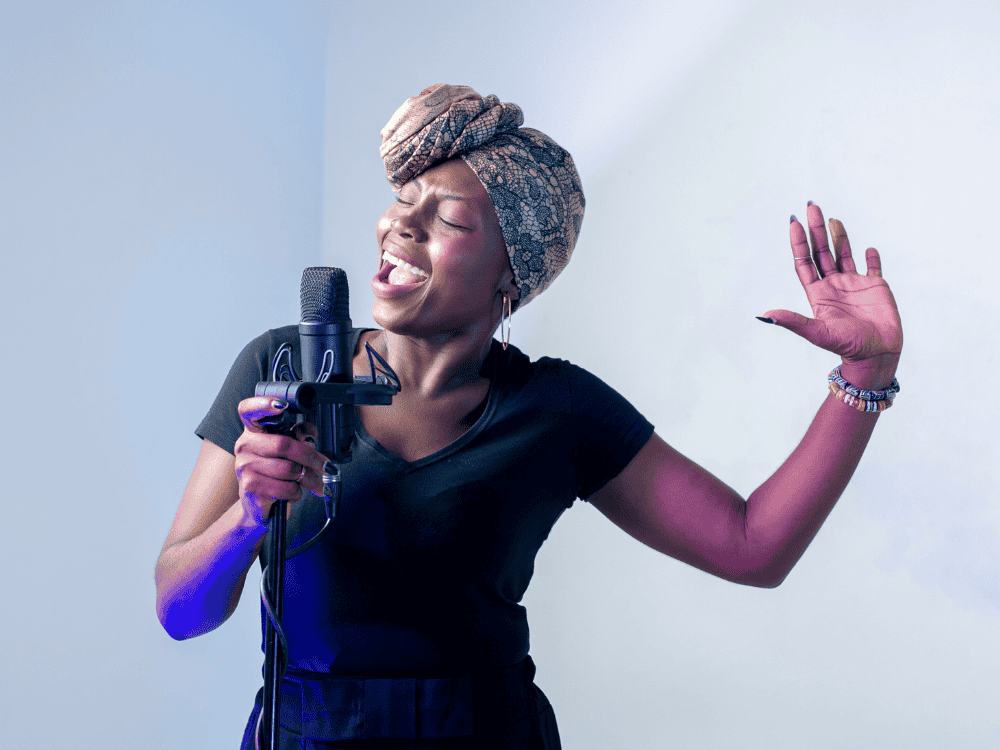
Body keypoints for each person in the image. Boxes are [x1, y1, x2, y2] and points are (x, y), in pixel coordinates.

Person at [154, 84, 903, 750]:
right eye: (403, 198)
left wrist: (864, 374)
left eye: (445, 217)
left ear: (511, 275)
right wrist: (247, 518)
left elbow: (751, 547)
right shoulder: (281, 371)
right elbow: (178, 611)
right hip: (304, 735)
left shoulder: (557, 410)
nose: (399, 226)